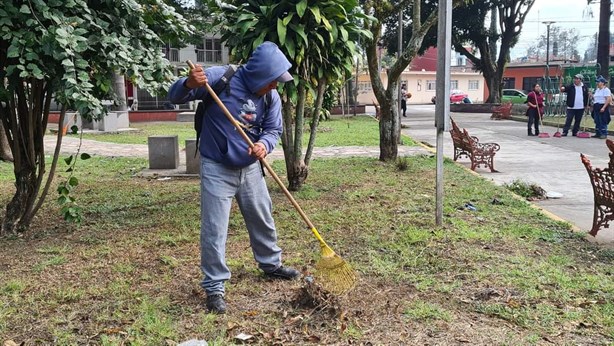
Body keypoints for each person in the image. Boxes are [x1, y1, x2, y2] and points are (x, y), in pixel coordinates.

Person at [168, 41, 299, 314]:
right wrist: (190, 84)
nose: (275, 86)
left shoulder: (270, 96)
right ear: (260, 74)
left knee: (263, 216)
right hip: (217, 167)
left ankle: (270, 264)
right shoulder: (221, 77)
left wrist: (264, 144)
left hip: (251, 167)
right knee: (215, 228)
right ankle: (215, 287)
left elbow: (273, 129)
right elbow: (175, 96)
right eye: (272, 80)